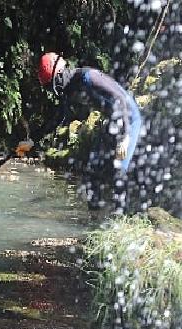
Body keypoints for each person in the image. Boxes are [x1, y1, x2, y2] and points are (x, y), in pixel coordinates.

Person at [36, 52, 143, 211]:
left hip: (130, 120)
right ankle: (94, 220)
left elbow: (121, 99)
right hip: (113, 122)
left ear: (58, 76)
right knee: (91, 173)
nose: (51, 91)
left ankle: (121, 221)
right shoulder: (69, 88)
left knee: (119, 172)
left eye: (49, 86)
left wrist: (126, 137)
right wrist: (32, 140)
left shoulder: (88, 77)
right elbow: (59, 119)